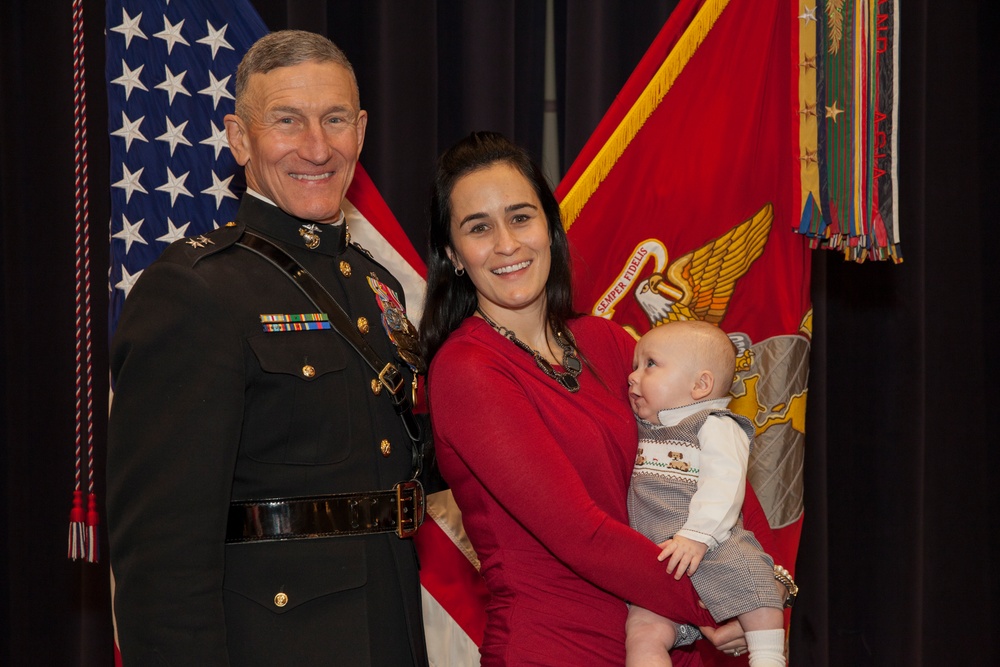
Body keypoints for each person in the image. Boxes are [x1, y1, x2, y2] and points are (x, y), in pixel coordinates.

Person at [107, 31, 428, 666]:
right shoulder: (195, 290)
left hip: (389, 634)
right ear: (239, 137)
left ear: (360, 132)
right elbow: (160, 557)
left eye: (335, 119)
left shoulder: (373, 285)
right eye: (287, 121)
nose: (317, 146)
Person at [421, 131, 789, 666]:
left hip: (671, 643)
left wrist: (771, 580)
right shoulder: (466, 372)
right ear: (455, 254)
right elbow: (583, 535)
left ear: (549, 226)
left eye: (521, 217)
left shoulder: (609, 342)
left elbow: (714, 457)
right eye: (479, 228)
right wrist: (729, 600)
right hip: (559, 649)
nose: (506, 243)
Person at [624, 321, 786, 667]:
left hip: (711, 546)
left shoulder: (715, 425)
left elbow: (725, 485)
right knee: (642, 634)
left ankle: (769, 658)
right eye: (634, 366)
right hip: (660, 559)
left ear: (701, 385)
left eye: (649, 364)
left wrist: (698, 535)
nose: (633, 376)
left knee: (758, 590)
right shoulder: (645, 427)